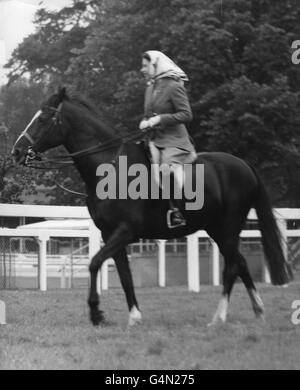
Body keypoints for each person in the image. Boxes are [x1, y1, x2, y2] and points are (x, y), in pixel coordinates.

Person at [139, 50, 197, 228]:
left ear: (155, 64)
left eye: (145, 65)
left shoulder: (174, 86)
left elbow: (186, 115)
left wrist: (159, 119)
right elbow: (150, 113)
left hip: (174, 141)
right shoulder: (150, 88)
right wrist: (146, 121)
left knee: (165, 170)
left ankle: (178, 211)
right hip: (155, 139)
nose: (142, 69)